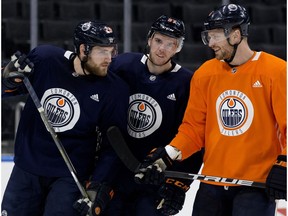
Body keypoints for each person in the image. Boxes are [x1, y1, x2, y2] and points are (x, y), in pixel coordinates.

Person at [134, 4, 287, 216]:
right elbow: (194, 128)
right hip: (211, 183)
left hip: (254, 186)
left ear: (235, 35)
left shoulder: (276, 71)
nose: (211, 44)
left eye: (215, 37)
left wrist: (284, 163)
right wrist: (167, 155)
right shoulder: (205, 73)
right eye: (209, 37)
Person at [1, 20, 130, 216]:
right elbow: (7, 88)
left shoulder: (114, 90)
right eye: (102, 51)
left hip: (70, 177)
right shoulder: (46, 60)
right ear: (82, 49)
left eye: (112, 50)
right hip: (26, 169)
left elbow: (112, 146)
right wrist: (7, 76)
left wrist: (98, 185)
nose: (109, 58)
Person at [102, 15, 202, 216]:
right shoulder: (122, 65)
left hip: (156, 179)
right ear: (149, 39)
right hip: (115, 174)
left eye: (170, 44)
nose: (162, 49)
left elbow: (194, 133)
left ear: (178, 48)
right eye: (158, 41)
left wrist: (179, 184)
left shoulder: (187, 83)